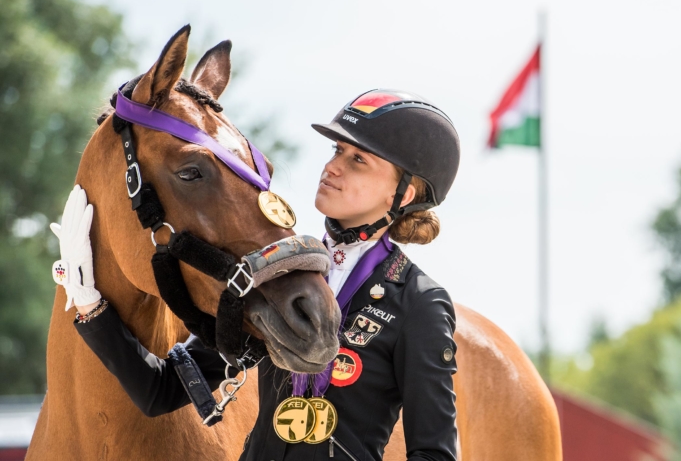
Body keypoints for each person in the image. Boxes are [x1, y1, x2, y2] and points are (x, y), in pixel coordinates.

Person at [51, 89, 461, 461]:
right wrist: (89, 301)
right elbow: (160, 392)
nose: (332, 167)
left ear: (402, 194)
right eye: (337, 150)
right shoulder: (273, 279)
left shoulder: (418, 303)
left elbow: (435, 455)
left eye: (357, 160)